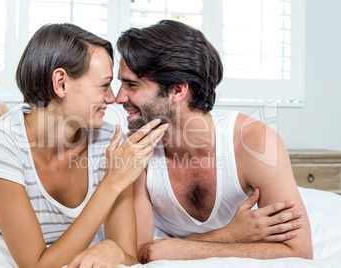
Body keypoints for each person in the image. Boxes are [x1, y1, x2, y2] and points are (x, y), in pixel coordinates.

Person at [0, 23, 168, 268]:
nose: (113, 98)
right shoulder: (2, 141)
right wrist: (112, 182)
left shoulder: (109, 143)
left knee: (6, 142)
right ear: (61, 83)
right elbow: (36, 265)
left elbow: (128, 257)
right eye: (104, 85)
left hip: (25, 140)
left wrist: (115, 250)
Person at [115, 20, 313, 262]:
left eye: (131, 84)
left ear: (178, 90)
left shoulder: (255, 142)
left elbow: (299, 252)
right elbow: (141, 253)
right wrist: (230, 235)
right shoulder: (137, 148)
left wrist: (183, 248)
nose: (118, 97)